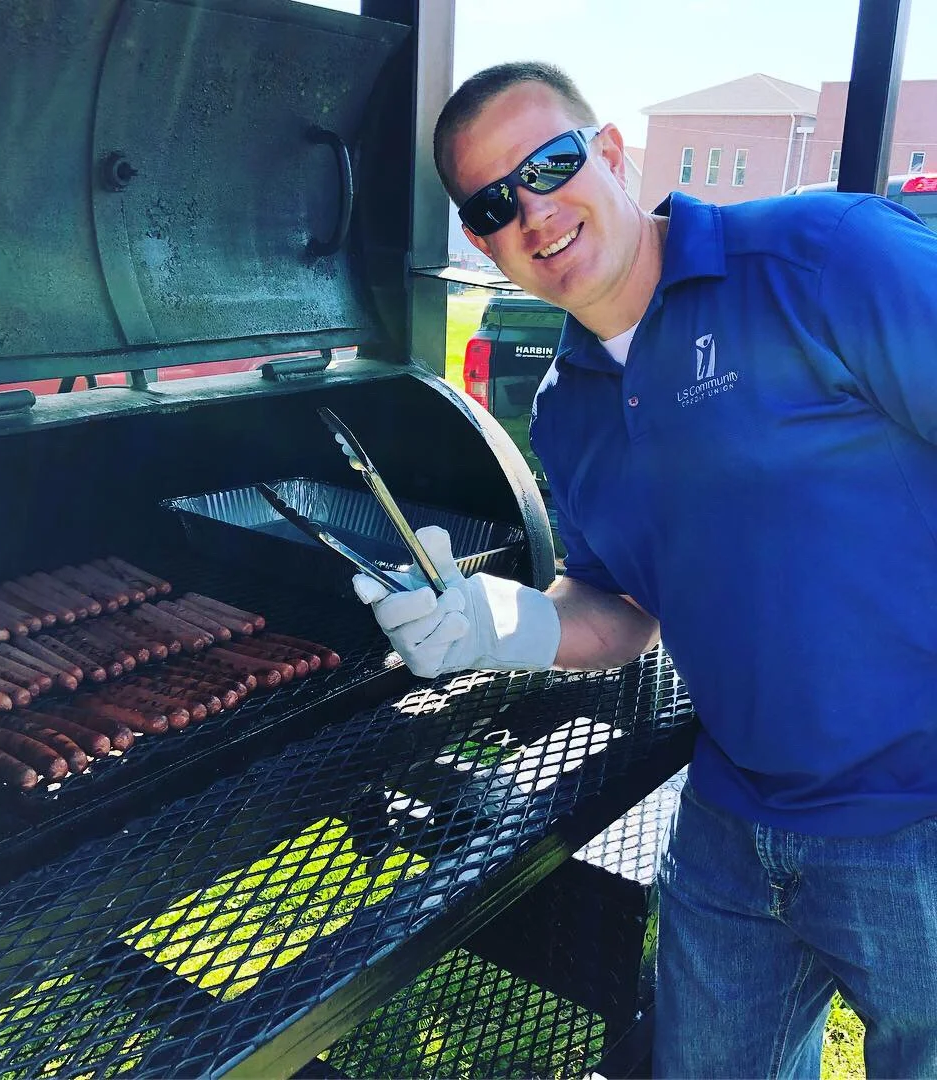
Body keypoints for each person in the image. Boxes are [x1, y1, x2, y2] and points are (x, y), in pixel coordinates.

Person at [350, 61, 937, 1077]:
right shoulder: (569, 408)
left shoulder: (822, 259)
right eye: (492, 205)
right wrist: (502, 622)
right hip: (731, 822)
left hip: (915, 824)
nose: (531, 212)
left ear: (613, 153)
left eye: (550, 165)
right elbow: (621, 605)